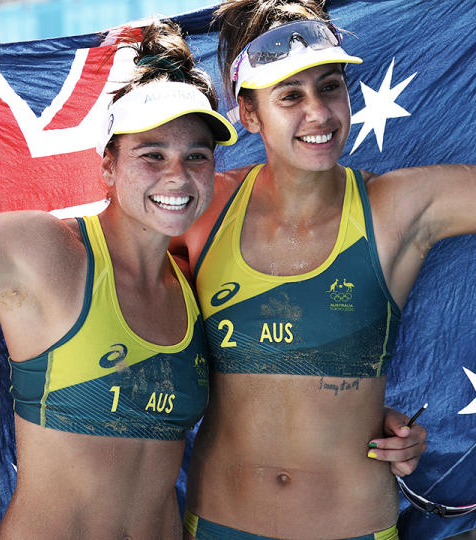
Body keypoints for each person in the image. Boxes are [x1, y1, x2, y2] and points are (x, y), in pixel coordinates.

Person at [171, 0, 472, 538]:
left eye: (330, 87)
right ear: (248, 114)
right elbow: (103, 262)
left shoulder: (395, 207)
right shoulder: (200, 205)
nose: (319, 113)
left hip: (351, 525)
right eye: (290, 96)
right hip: (221, 523)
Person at [0, 20, 239, 539]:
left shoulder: (194, 290)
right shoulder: (49, 252)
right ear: (107, 166)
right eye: (152, 154)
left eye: (195, 156)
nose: (177, 175)